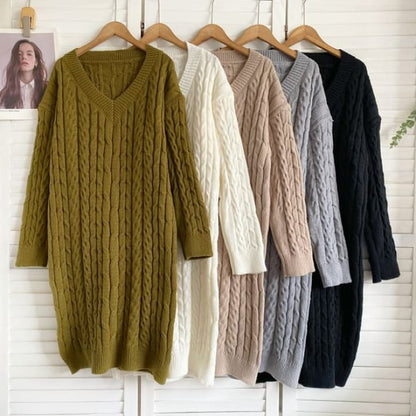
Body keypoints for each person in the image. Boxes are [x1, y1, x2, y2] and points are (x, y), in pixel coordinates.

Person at [0, 39, 47, 109]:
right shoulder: (4, 94)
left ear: (36, 62)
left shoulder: (47, 89)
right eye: (19, 54)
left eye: (29, 54)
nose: (24, 57)